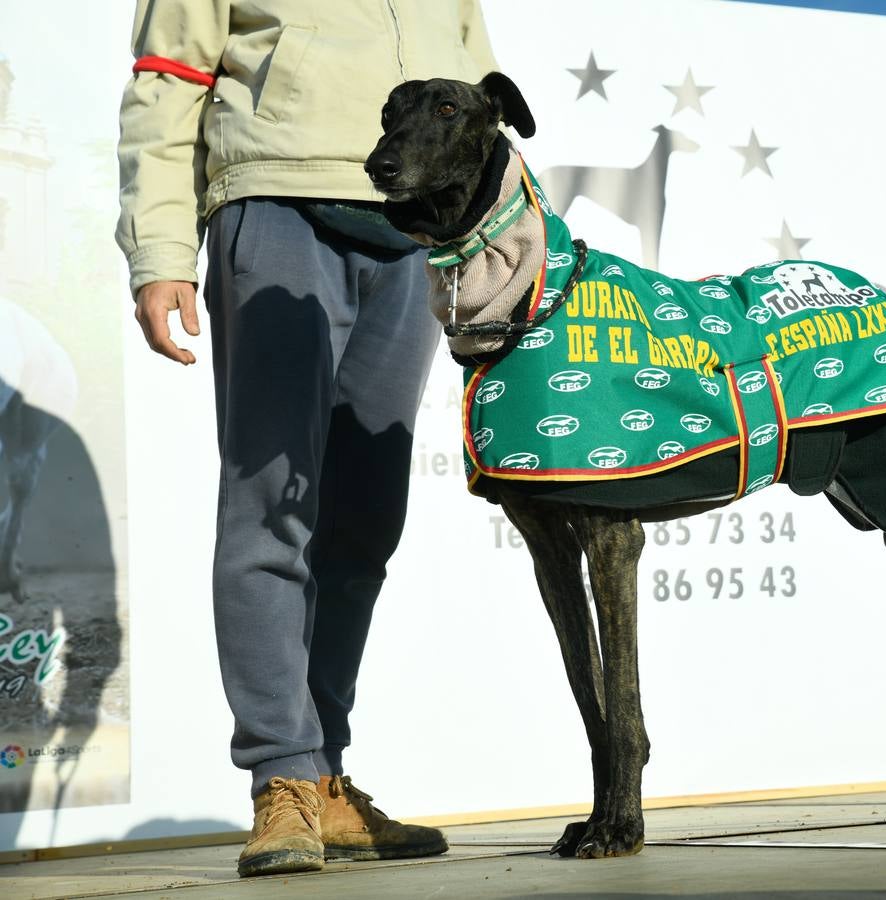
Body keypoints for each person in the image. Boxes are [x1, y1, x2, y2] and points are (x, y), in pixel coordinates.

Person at [115, 0, 498, 878]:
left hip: (411, 236)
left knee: (363, 523)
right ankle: (281, 778)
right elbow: (163, 89)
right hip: (276, 205)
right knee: (268, 515)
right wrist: (162, 252)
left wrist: (489, 243)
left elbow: (475, 103)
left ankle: (325, 775)